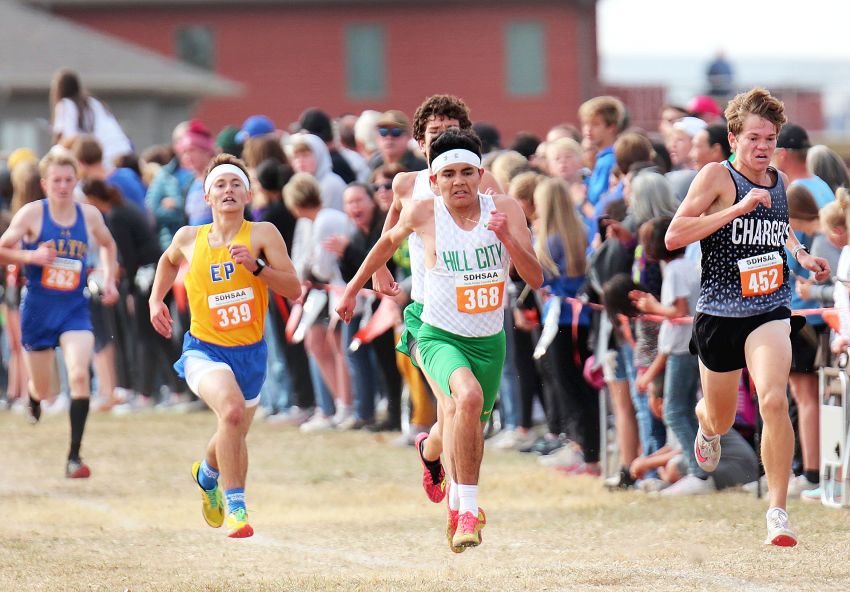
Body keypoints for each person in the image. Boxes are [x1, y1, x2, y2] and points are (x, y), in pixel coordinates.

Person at [336, 128, 543, 550]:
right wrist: (353, 288)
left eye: (468, 172)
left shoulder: (503, 208)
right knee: (463, 400)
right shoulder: (424, 213)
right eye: (449, 174)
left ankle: (432, 454)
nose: (459, 181)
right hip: (438, 335)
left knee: (469, 428)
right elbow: (384, 243)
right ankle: (465, 508)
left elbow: (535, 277)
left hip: (489, 340)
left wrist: (505, 238)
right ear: (434, 180)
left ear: (481, 174)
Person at [665, 87, 830, 546]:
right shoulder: (716, 177)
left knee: (773, 399)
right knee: (718, 417)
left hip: (769, 307)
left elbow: (781, 232)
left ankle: (777, 511)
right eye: (755, 137)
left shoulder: (779, 182)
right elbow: (674, 236)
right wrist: (736, 208)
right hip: (719, 312)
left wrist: (802, 256)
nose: (763, 146)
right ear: (734, 138)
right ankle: (706, 425)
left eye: (770, 138)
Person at [149, 154, 300, 538]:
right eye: (220, 185)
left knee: (233, 430)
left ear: (248, 193)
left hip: (250, 353)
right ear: (206, 195)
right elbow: (167, 262)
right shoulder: (189, 238)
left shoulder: (263, 234)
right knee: (231, 412)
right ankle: (236, 507)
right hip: (205, 349)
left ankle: (207, 473)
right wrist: (156, 300)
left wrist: (258, 269)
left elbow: (294, 289)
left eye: (236, 184)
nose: (228, 190)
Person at [370, 95, 502, 505]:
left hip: (474, 315)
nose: (442, 138)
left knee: (460, 408)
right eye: (434, 133)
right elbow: (390, 227)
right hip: (426, 316)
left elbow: (504, 228)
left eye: (451, 131)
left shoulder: (483, 181)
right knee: (453, 400)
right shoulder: (407, 183)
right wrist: (379, 267)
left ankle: (430, 452)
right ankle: (461, 508)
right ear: (419, 142)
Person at [0, 150, 119, 477]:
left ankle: (74, 457)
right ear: (45, 183)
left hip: (73, 309)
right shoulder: (31, 215)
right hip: (38, 309)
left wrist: (107, 278)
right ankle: (35, 399)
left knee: (79, 374)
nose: (63, 186)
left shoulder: (90, 216)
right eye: (57, 181)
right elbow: (2, 249)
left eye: (69, 180)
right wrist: (30, 256)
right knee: (44, 388)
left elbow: (108, 245)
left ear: (76, 181)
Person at [50, 69, 132, 170]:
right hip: (124, 152)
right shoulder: (93, 102)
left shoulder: (66, 105)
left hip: (104, 158)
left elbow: (71, 138)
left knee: (56, 152)